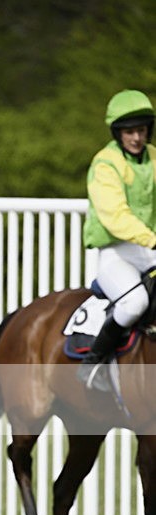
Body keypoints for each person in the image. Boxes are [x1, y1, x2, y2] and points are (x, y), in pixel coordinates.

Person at [77, 89, 156, 391]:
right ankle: (92, 363)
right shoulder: (105, 164)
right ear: (118, 133)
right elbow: (115, 216)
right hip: (117, 252)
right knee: (136, 302)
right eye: (130, 132)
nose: (137, 138)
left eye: (142, 130)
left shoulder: (153, 157)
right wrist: (151, 239)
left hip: (148, 248)